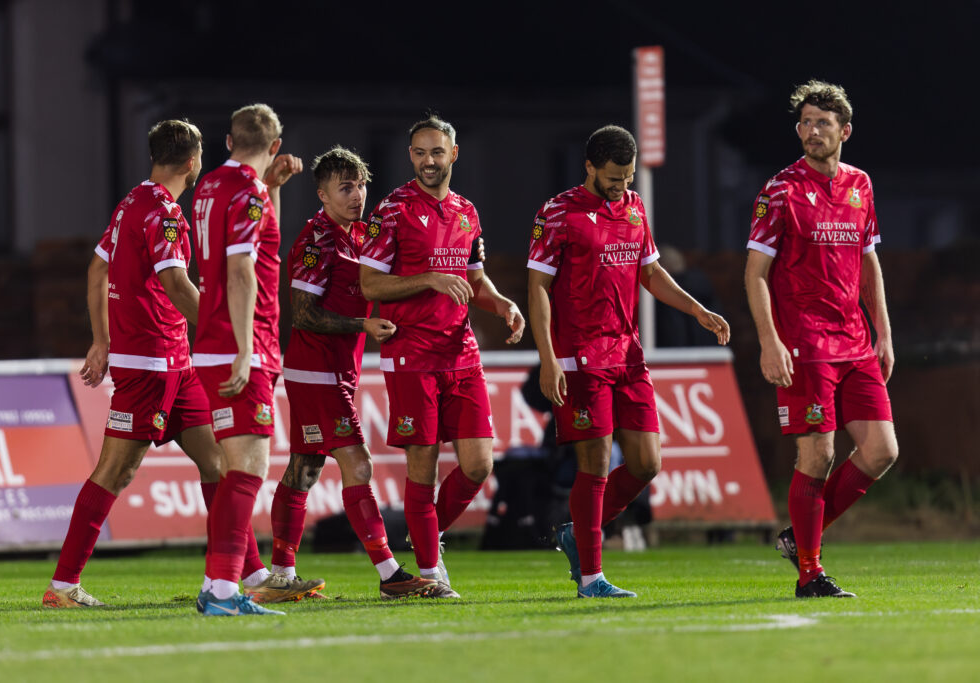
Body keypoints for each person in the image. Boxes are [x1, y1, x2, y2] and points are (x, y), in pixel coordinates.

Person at [43, 120, 265, 607]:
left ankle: (253, 575)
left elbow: (98, 267)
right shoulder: (163, 212)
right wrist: (221, 332)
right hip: (150, 363)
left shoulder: (131, 202)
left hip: (175, 362)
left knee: (217, 463)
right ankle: (63, 585)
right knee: (115, 472)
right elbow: (176, 283)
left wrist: (101, 339)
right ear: (193, 161)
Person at [527, 125, 730, 598]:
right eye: (614, 176)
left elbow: (651, 272)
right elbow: (537, 288)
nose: (621, 185)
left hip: (627, 353)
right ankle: (592, 577)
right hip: (580, 357)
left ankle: (578, 534)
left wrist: (697, 310)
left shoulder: (635, 207)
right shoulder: (557, 214)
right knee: (594, 464)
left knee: (645, 462)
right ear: (590, 167)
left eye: (628, 176)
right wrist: (549, 358)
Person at [359, 116, 526, 598]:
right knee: (423, 466)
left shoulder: (467, 212)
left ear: (454, 154)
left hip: (461, 351)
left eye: (436, 152)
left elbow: (475, 281)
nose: (428, 161)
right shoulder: (393, 210)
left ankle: (424, 532)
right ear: (410, 156)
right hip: (411, 353)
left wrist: (504, 305)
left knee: (478, 465)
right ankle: (431, 571)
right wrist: (429, 278)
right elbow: (369, 284)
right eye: (418, 152)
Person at [745, 81, 898, 598]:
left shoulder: (861, 184)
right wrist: (770, 341)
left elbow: (869, 260)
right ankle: (810, 571)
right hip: (805, 344)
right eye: (806, 123)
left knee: (881, 451)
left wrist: (883, 331)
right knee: (817, 457)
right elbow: (755, 273)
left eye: (823, 123)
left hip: (855, 343)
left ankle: (800, 537)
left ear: (845, 131)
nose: (812, 131)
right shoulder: (780, 190)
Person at [275, 145, 438, 599]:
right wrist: (362, 324)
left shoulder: (363, 234)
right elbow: (303, 314)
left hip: (336, 370)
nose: (357, 195)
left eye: (361, 185)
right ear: (322, 194)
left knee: (303, 471)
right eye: (345, 187)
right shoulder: (316, 240)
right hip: (315, 370)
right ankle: (390, 575)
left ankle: (282, 576)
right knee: (358, 463)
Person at [191, 103, 314, 616]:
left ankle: (217, 583)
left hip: (212, 342)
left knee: (232, 469)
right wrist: (246, 348)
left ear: (227, 141)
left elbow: (264, 252)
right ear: (276, 146)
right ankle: (222, 591)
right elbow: (243, 271)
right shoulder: (247, 191)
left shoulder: (210, 188)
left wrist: (277, 188)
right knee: (248, 468)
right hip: (244, 343)